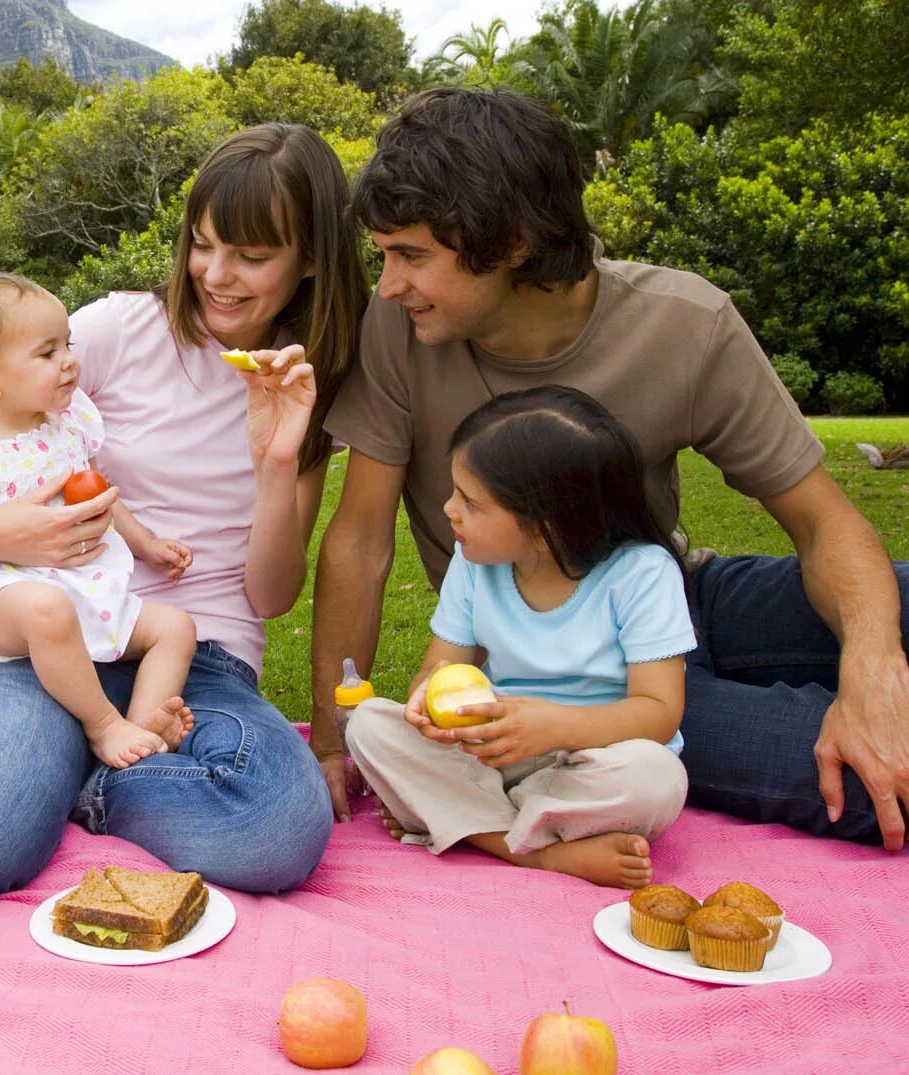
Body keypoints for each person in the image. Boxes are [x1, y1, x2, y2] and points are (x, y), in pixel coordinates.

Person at [312, 87, 909, 851]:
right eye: (385, 255)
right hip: (565, 681)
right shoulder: (399, 330)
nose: (389, 284)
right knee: (871, 777)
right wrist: (333, 740)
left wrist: (872, 670)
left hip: (675, 598)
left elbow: (826, 524)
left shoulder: (686, 326)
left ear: (514, 241)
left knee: (892, 614)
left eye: (412, 256)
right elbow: (360, 542)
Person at [0, 122, 366, 896]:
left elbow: (270, 597)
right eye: (203, 244)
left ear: (310, 258)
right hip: (52, 637)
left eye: (253, 255)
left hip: (196, 657)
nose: (217, 274)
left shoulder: (307, 384)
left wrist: (276, 464)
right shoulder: (117, 329)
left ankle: (67, 778)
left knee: (274, 828)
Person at [347, 387, 694, 888]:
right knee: (369, 726)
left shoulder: (642, 574)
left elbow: (660, 714)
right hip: (492, 753)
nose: (449, 510)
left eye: (470, 501)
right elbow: (438, 666)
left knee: (657, 779)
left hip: (593, 759)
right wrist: (425, 702)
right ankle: (540, 851)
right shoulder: (474, 563)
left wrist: (556, 727)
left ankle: (462, 821)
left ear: (546, 519)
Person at [0, 272, 197, 769]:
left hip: (83, 592)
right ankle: (105, 725)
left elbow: (97, 499)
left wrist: (147, 544)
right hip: (10, 605)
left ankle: (147, 722)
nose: (69, 360)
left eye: (66, 344)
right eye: (47, 353)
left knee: (175, 627)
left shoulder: (67, 428)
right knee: (47, 610)